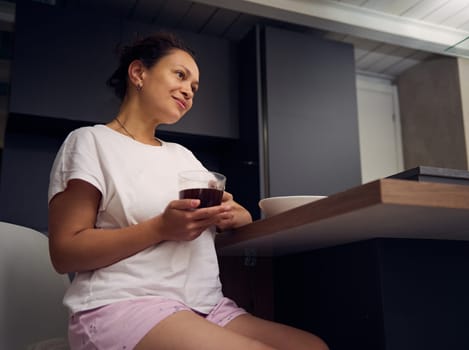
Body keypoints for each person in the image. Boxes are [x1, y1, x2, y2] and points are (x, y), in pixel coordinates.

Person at [47, 32, 329, 350]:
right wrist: (160, 228)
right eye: (180, 75)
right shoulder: (90, 142)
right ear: (138, 73)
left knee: (312, 346)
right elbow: (65, 252)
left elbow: (205, 233)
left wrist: (234, 217)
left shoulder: (184, 157)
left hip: (206, 305)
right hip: (125, 302)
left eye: (194, 88)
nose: (188, 92)